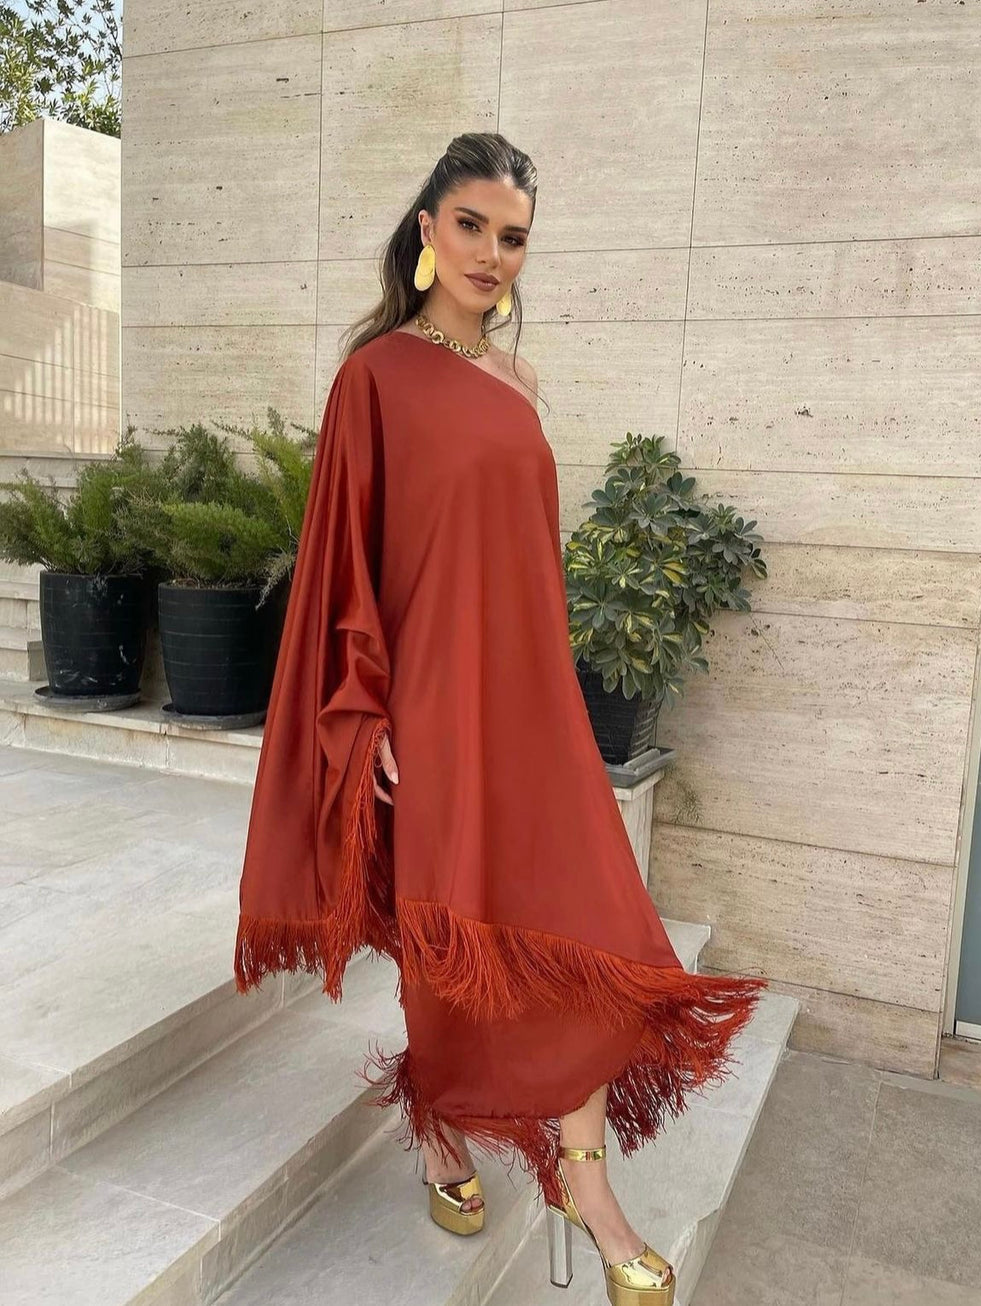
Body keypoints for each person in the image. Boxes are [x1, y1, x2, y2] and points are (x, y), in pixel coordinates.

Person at [233, 131, 768, 1306]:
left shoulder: (521, 384)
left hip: (530, 701)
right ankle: (442, 1127)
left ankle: (580, 1178)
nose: (490, 252)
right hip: (428, 702)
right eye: (470, 224)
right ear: (427, 229)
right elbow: (345, 558)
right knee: (446, 927)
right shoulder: (375, 376)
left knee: (588, 930)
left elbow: (519, 561)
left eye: (512, 235)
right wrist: (365, 706)